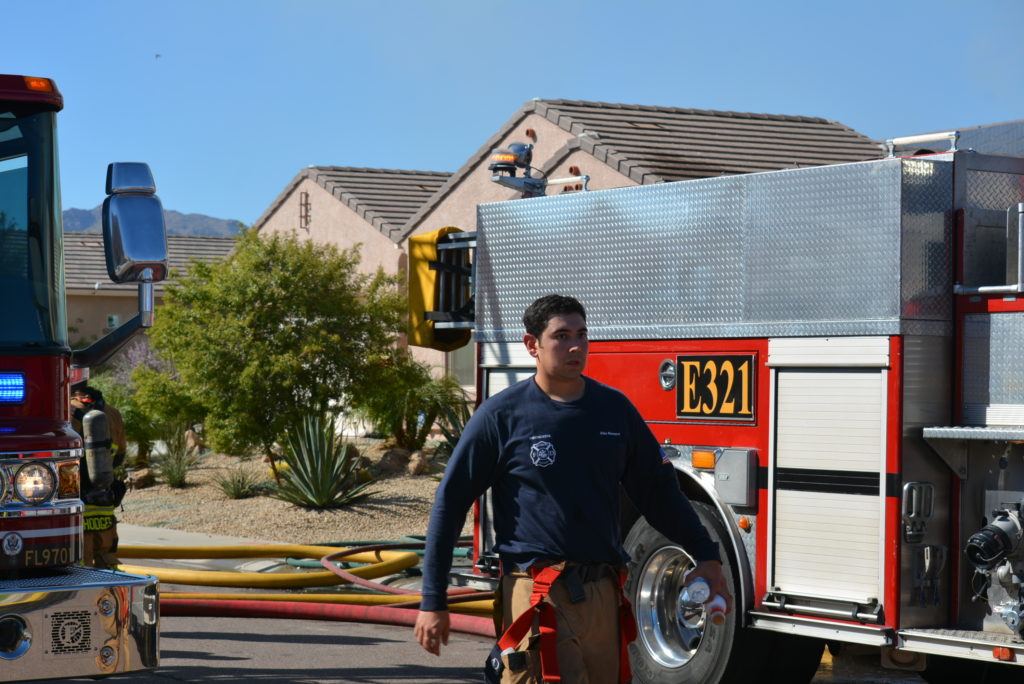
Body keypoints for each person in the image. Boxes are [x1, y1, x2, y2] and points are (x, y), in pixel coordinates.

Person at [414, 294, 732, 683]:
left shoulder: (614, 410)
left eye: (582, 335)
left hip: (602, 594)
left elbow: (659, 493)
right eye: (561, 336)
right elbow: (450, 504)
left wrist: (707, 556)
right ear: (532, 345)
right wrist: (433, 600)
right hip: (538, 594)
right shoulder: (501, 416)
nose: (576, 346)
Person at [71, 381, 128, 569]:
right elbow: (120, 456)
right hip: (104, 498)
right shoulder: (112, 413)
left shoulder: (68, 411)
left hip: (78, 498)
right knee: (107, 557)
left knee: (81, 560)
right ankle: (112, 586)